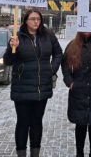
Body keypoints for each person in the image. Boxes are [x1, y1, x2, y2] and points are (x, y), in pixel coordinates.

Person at [4, 9, 63, 157]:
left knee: (37, 121)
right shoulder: (17, 37)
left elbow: (58, 53)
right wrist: (13, 48)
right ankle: (21, 153)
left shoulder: (48, 35)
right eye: (33, 19)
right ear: (25, 21)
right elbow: (8, 62)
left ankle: (35, 153)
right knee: (23, 122)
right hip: (22, 87)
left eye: (38, 19)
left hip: (41, 87)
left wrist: (52, 69)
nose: (36, 22)